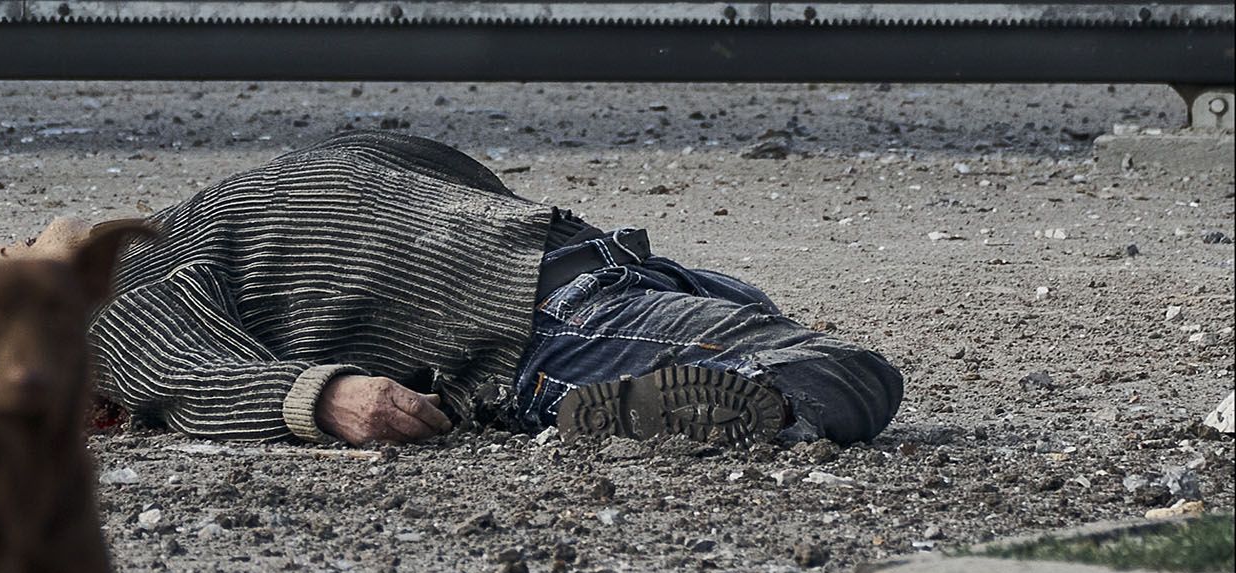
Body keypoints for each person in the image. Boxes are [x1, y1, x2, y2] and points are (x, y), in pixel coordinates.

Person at [87, 132, 902, 447]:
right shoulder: (96, 297)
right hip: (535, 326)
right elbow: (183, 368)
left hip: (585, 265)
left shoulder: (196, 217)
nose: (11, 244)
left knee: (750, 308)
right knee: (850, 378)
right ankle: (652, 406)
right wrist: (327, 397)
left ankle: (674, 389)